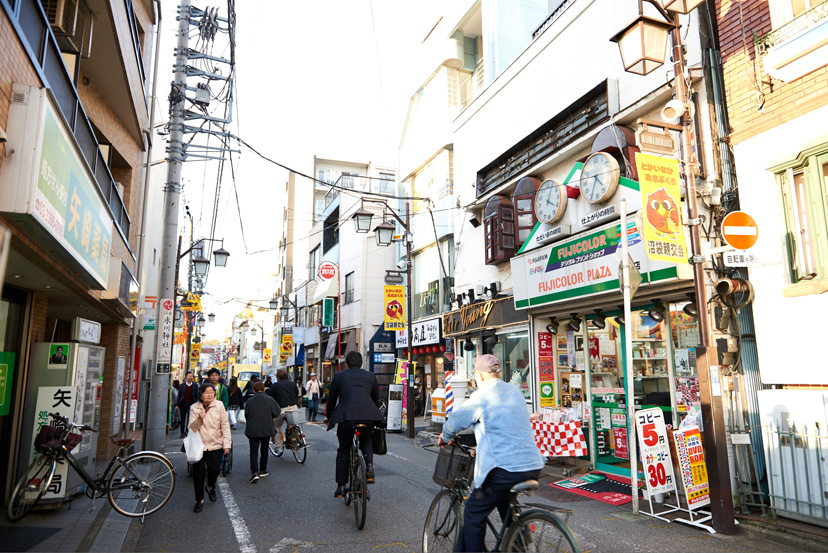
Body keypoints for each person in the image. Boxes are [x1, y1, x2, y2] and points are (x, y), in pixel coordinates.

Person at [438, 354, 545, 552]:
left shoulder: (481, 395)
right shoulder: (515, 392)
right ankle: (520, 541)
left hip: (503, 468)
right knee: (503, 499)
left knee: (473, 512)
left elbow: (456, 421)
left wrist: (445, 436)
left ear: (480, 375)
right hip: (533, 464)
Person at [324, 351, 384, 498]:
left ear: (347, 364)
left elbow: (331, 399)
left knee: (343, 450)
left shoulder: (339, 376)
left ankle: (341, 486)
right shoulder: (370, 376)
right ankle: (369, 466)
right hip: (368, 415)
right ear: (362, 363)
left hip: (346, 416)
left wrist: (328, 416)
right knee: (366, 439)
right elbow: (375, 398)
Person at [188, 383, 232, 513]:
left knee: (214, 470)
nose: (210, 394)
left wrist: (227, 444)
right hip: (199, 446)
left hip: (215, 444)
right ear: (200, 394)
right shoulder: (194, 408)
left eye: (212, 392)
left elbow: (225, 425)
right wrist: (199, 419)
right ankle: (199, 500)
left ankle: (210, 486)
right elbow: (191, 428)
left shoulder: (219, 405)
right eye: (206, 392)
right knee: (198, 474)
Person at [244, 381, 280, 483]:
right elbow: (277, 412)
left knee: (253, 451)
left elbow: (246, 414)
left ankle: (254, 472)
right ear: (264, 389)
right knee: (264, 449)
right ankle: (263, 470)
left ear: (254, 390)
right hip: (266, 427)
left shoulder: (250, 401)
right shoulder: (270, 399)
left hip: (253, 428)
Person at [268, 369, 301, 454]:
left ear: (278, 377)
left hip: (281, 410)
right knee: (293, 425)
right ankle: (296, 440)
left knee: (276, 427)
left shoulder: (275, 386)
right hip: (293, 408)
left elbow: (271, 399)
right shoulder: (292, 384)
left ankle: (278, 447)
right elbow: (296, 394)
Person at [176, 372, 198, 438]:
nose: (191, 377)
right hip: (182, 404)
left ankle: (187, 431)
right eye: (189, 376)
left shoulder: (195, 385)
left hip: (191, 404)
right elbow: (179, 396)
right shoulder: (182, 386)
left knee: (189, 418)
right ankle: (182, 432)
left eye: (192, 376)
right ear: (186, 377)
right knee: (182, 419)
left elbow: (196, 395)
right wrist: (177, 405)